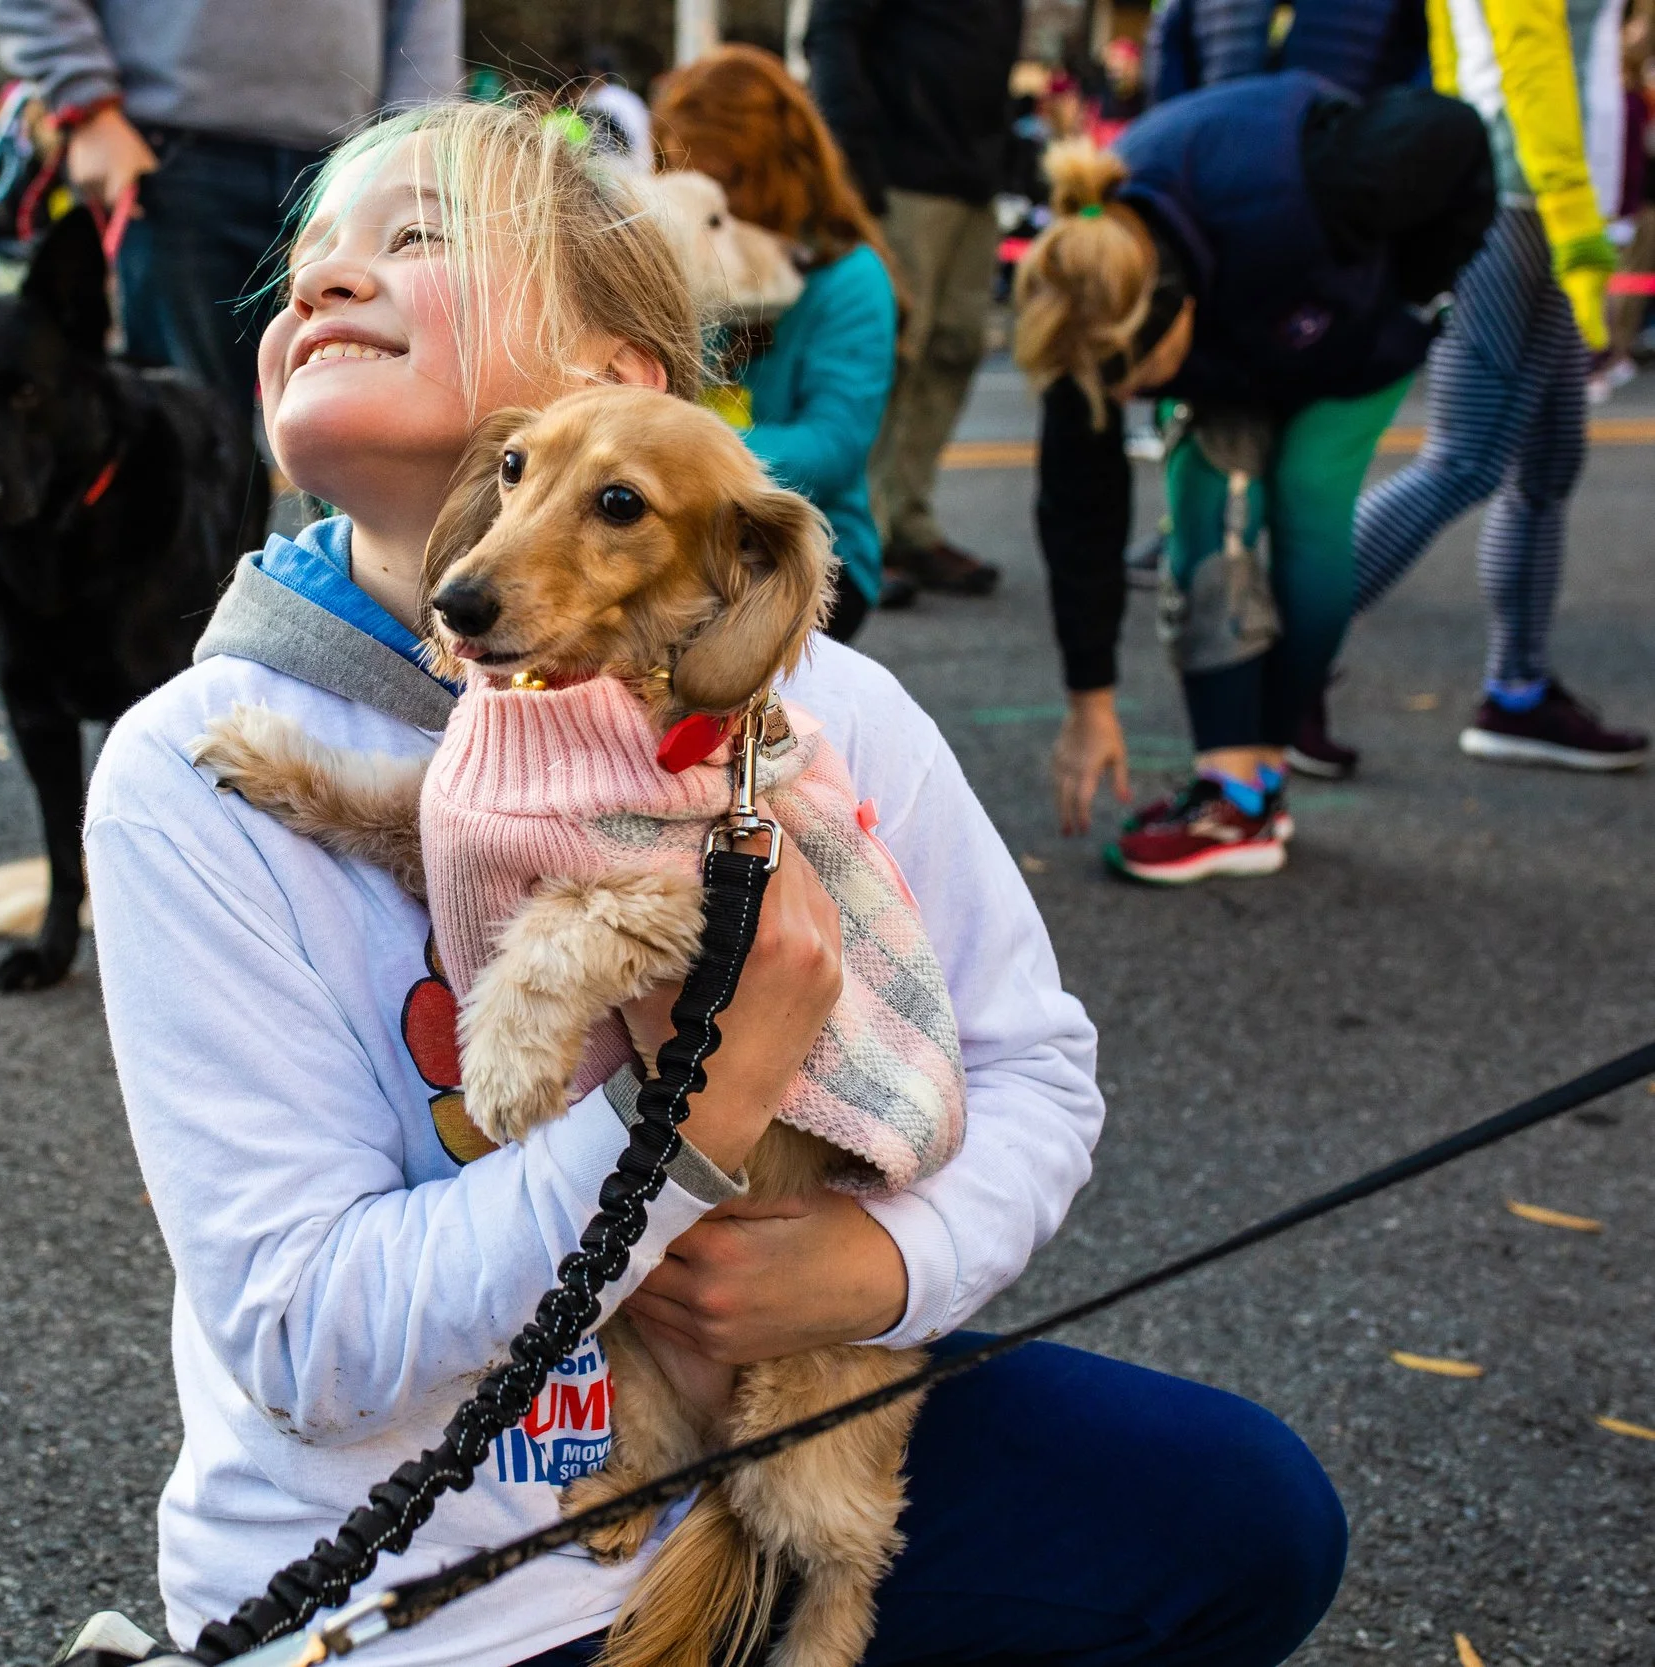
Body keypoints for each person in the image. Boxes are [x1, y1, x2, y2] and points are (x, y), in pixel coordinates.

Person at [85, 95, 1347, 1667]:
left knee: (1244, 1509)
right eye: (310, 258)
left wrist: (875, 1264)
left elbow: (1032, 1068)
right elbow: (303, 1337)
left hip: (786, 1419)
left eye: (418, 238)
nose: (329, 279)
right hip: (407, 1596)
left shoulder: (826, 707)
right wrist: (686, 1113)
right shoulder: (200, 762)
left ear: (624, 381)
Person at [1020, 76, 1496, 883]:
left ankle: (1269, 758)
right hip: (1243, 334)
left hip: (1348, 324)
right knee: (1202, 497)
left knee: (1308, 493)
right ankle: (1231, 788)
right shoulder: (1085, 294)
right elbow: (1080, 518)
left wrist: (1414, 288)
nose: (1132, 402)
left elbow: (1454, 132)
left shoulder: (1320, 185)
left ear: (1177, 314)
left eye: (1142, 381)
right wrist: (1087, 702)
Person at [0, 0, 458, 538]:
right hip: (170, 156)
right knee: (191, 458)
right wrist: (87, 104)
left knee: (365, 436)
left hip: (356, 157)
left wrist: (420, 137)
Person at [1346, 0, 1649, 771]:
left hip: (1523, 192)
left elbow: (1458, 51)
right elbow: (1529, 52)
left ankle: (1517, 691)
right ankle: (1271, 662)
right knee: (1467, 458)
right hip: (1526, 205)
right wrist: (1574, 220)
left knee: (1546, 462)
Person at [650, 45, 902, 639]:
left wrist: (680, 455)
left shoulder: (849, 278)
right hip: (681, 536)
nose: (703, 199)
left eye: (725, 179)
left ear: (782, 168)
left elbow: (834, 446)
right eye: (680, 175)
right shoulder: (679, 260)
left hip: (809, 550)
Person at [807, 0, 1015, 600]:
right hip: (898, 176)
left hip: (974, 180)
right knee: (891, 352)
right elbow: (833, 35)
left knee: (956, 346)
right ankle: (856, 537)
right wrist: (857, 169)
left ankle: (908, 523)